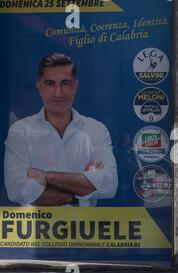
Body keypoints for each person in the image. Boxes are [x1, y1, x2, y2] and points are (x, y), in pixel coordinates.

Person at [4, 53, 118, 207]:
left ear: (75, 87)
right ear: (40, 87)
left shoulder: (96, 129)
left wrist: (47, 177)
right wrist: (80, 193)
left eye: (65, 83)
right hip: (36, 229)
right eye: (50, 84)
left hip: (85, 229)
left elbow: (109, 184)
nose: (58, 93)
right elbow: (17, 191)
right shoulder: (21, 131)